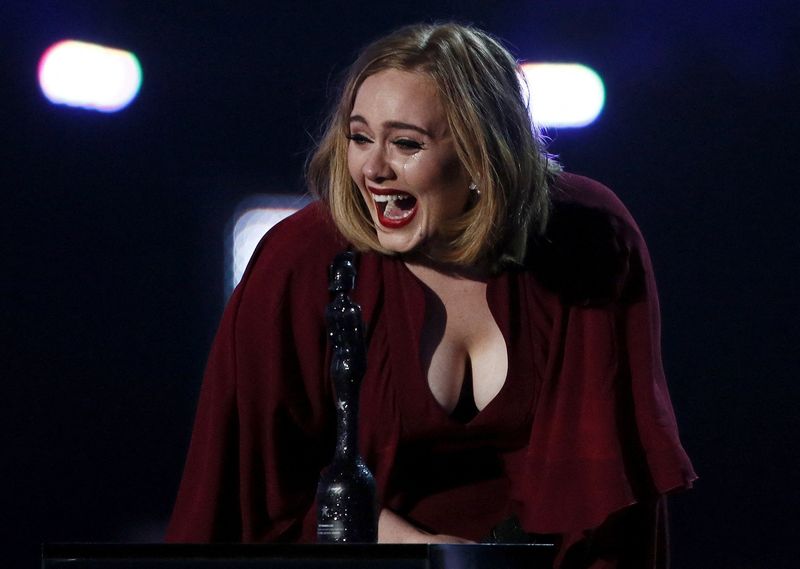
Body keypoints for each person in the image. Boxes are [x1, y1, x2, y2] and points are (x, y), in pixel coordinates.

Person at [166, 22, 696, 568]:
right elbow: (254, 495)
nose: (373, 169)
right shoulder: (300, 260)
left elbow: (615, 494)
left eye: (406, 144)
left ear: (481, 156)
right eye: (359, 138)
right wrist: (425, 553)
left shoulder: (588, 234)